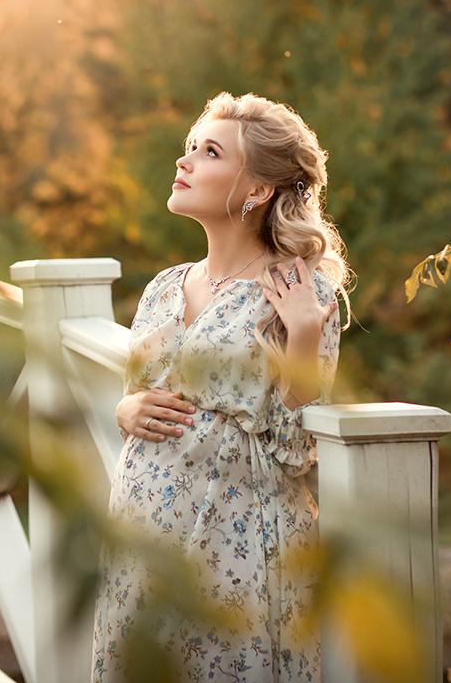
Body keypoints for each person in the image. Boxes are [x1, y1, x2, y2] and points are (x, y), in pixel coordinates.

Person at [92, 92, 351, 682]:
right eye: (189, 147)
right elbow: (136, 395)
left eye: (208, 152)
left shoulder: (297, 292)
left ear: (258, 190)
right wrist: (126, 407)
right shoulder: (163, 287)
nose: (184, 162)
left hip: (234, 548)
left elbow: (295, 451)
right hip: (139, 539)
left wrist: (305, 336)